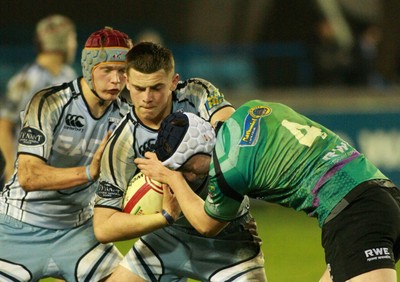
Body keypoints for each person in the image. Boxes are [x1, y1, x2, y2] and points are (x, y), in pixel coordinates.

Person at [135, 100, 400, 282]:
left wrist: (171, 177)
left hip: (353, 213)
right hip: (383, 195)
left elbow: (207, 225)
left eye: (186, 167)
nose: (189, 176)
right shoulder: (252, 109)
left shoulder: (229, 169)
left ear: (199, 150)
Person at [93, 42, 266, 281]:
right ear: (127, 83)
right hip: (166, 239)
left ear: (174, 82)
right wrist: (163, 218)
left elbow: (231, 134)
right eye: (139, 88)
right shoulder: (121, 144)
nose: (147, 98)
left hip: (229, 239)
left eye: (156, 87)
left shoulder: (196, 94)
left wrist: (180, 168)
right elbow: (103, 227)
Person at [0, 27, 133, 282]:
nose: (116, 80)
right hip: (18, 226)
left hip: (78, 231)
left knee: (133, 277)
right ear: (89, 68)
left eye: (123, 71)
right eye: (107, 70)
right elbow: (29, 175)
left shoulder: (127, 116)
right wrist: (88, 173)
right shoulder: (48, 102)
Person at [0, 14, 78, 184]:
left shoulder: (68, 74)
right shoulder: (29, 80)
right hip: (30, 173)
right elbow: (4, 126)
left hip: (57, 174)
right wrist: (10, 171)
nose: (74, 44)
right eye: (72, 38)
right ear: (60, 41)